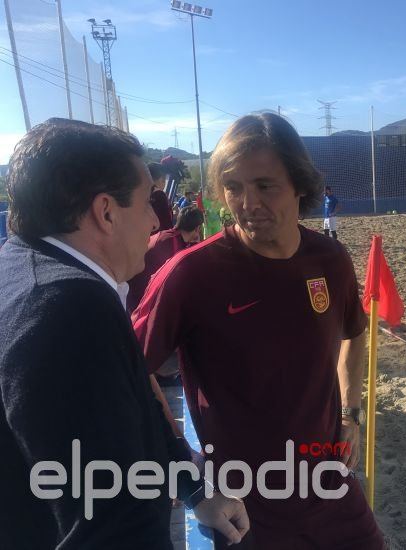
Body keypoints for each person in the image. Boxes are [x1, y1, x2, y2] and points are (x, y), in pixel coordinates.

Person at [132, 113, 385, 549]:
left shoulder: (330, 260)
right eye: (233, 187)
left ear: (300, 184)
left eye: (265, 186)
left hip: (327, 482)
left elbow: (354, 332)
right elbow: (125, 374)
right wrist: (189, 483)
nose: (248, 203)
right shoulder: (191, 274)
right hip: (246, 503)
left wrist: (351, 413)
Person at [0, 119, 249, 549]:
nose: (154, 220)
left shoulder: (24, 267)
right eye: (147, 201)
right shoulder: (70, 308)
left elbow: (128, 404)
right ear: (106, 212)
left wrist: (192, 487)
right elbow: (112, 519)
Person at [127, 205, 204, 313]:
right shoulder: (172, 245)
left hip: (133, 291)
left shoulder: (168, 236)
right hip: (140, 300)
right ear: (197, 228)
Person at [148, 162, 174, 233]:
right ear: (162, 179)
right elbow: (166, 223)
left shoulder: (144, 194)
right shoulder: (159, 195)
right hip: (159, 236)